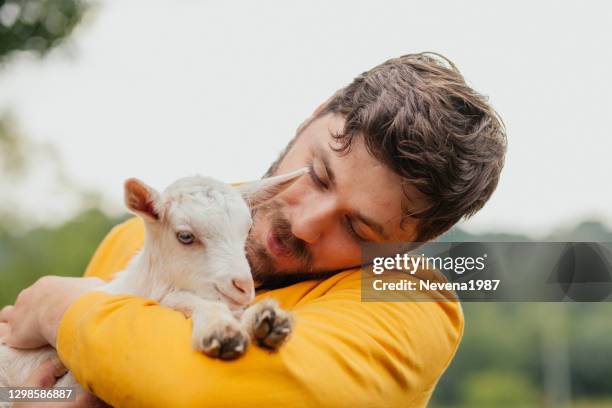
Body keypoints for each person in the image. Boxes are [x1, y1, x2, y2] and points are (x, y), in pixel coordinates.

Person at [0, 52, 506, 407]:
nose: (306, 224)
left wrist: (60, 309)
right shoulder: (141, 234)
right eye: (318, 174)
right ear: (314, 115)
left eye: (357, 227)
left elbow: (215, 395)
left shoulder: (410, 300)